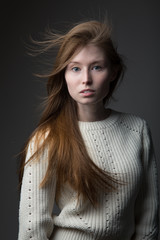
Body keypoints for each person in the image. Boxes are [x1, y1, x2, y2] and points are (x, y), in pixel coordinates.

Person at [18, 20, 159, 240]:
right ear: (64, 75)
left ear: (113, 72)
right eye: (75, 68)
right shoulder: (48, 138)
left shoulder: (137, 130)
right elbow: (32, 229)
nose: (86, 80)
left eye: (96, 67)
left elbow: (148, 216)